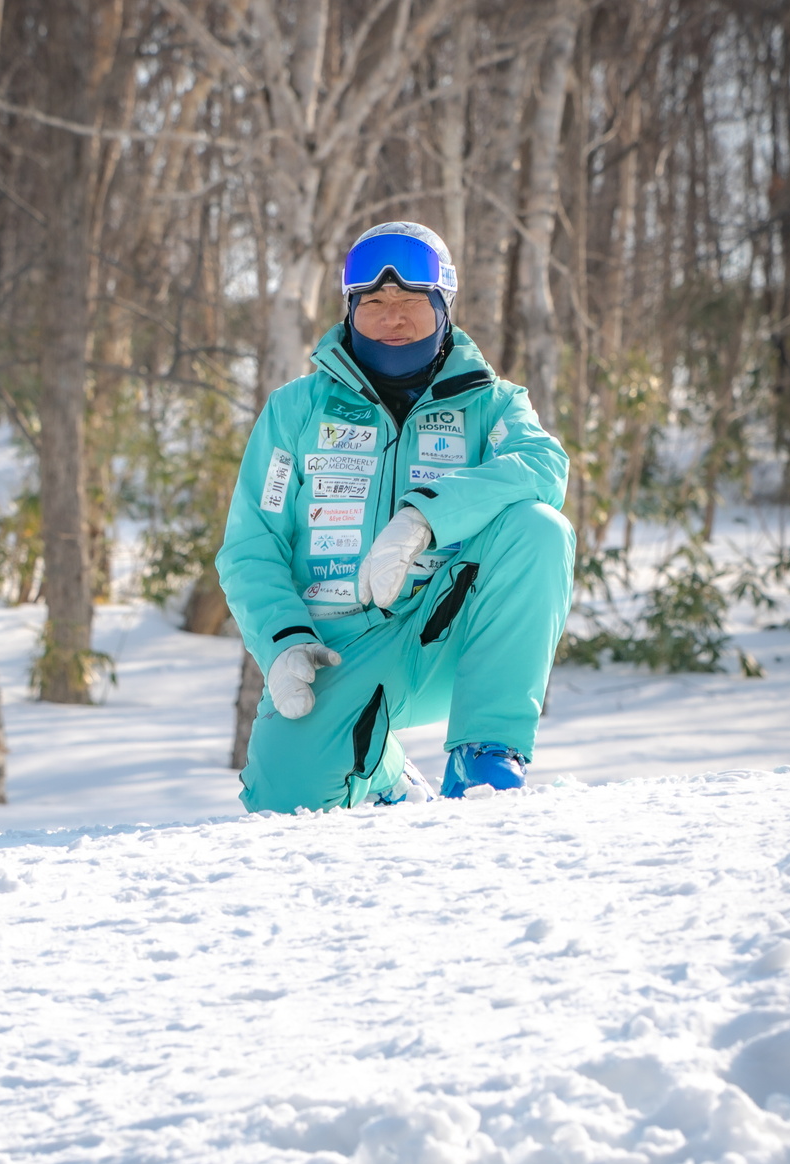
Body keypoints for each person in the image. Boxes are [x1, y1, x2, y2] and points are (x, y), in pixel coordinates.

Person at [216, 221, 575, 810]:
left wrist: (425, 518)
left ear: (444, 307)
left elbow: (542, 464)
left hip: (448, 632)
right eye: (375, 302)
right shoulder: (295, 411)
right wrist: (282, 642)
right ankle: (385, 778)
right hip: (336, 651)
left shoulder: (493, 403)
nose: (393, 318)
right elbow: (252, 545)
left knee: (538, 527)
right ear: (350, 309)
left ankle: (486, 754)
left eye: (411, 301)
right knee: (284, 802)